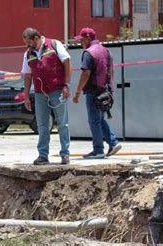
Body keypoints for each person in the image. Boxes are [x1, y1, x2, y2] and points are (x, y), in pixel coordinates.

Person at [21, 27, 72, 165]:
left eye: (29, 42)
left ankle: (65, 154)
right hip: (40, 94)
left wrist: (66, 85)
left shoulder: (54, 45)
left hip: (57, 90)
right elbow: (27, 75)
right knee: (42, 125)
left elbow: (67, 62)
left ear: (36, 38)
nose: (27, 46)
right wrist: (26, 96)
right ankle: (43, 155)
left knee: (63, 123)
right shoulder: (28, 54)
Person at [72, 28, 122, 159]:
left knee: (94, 121)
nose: (80, 42)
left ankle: (98, 150)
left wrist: (77, 92)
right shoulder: (106, 50)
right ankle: (113, 142)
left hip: (94, 92)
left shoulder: (89, 53)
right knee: (99, 119)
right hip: (105, 92)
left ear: (88, 39)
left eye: (81, 39)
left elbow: (86, 73)